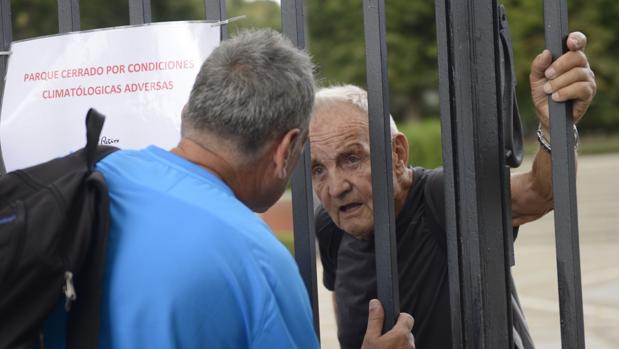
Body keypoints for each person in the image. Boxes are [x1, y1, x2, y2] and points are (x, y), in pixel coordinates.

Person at [42, 29, 415, 348]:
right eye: (312, 162)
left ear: (190, 113)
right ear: (286, 150)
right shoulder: (259, 263)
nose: (335, 186)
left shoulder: (91, 178)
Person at [310, 31, 596, 349]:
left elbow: (540, 192)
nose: (335, 187)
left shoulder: (439, 197)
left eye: (351, 158)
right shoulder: (329, 227)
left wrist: (554, 126)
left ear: (398, 154)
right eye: (317, 169)